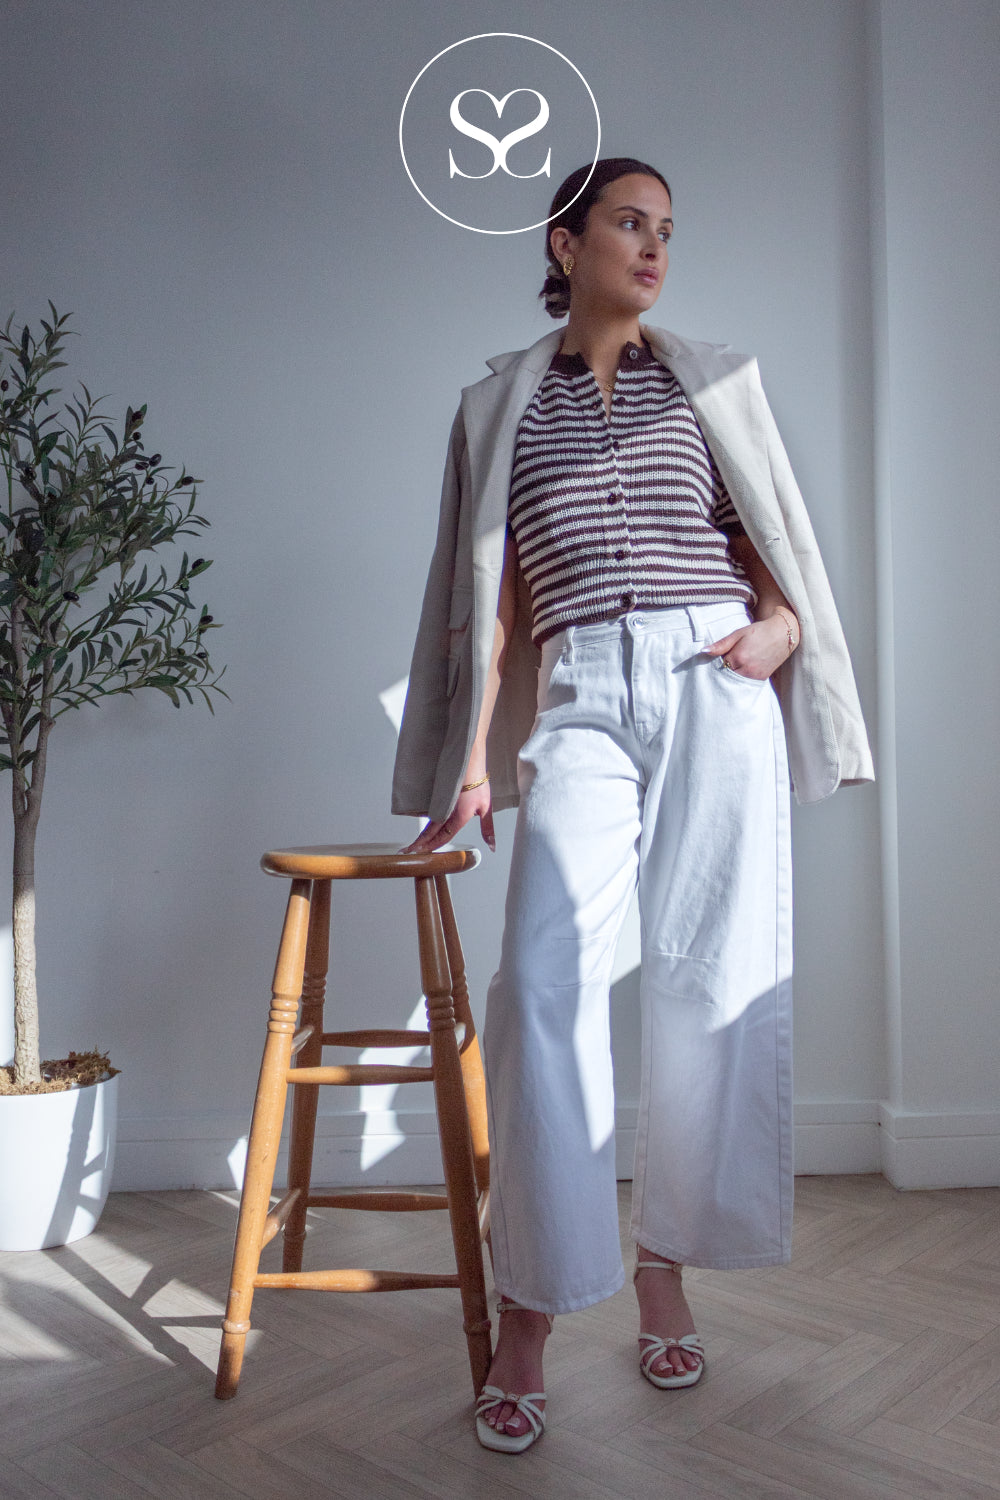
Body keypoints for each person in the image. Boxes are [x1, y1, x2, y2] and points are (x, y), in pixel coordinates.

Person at [392, 157, 873, 1454]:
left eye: (668, 229)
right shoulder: (498, 401)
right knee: (543, 981)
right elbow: (485, 593)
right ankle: (536, 1307)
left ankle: (666, 1266)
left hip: (714, 673)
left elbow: (776, 540)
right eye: (629, 223)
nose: (655, 247)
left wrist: (778, 629)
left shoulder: (711, 376)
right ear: (566, 240)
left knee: (713, 976)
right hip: (583, 685)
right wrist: (478, 761)